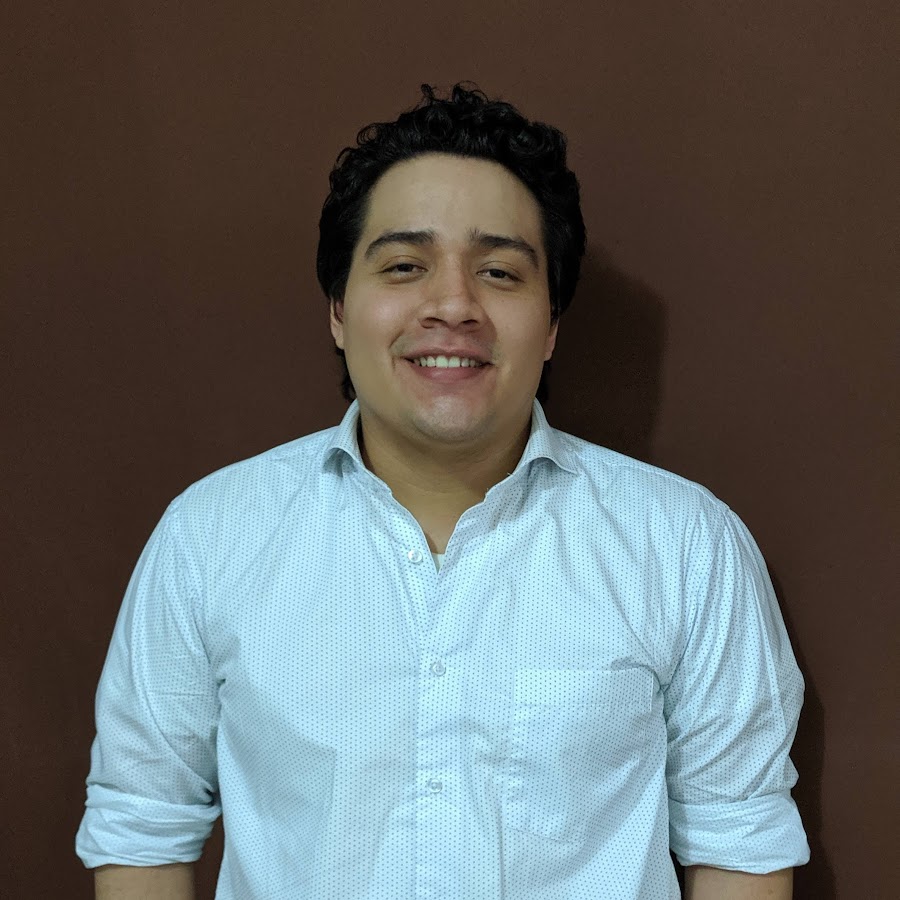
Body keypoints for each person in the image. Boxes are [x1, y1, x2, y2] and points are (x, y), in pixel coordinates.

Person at [76, 83, 809, 899]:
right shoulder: (209, 538)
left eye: (499, 271)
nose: (453, 304)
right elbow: (141, 824)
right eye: (404, 266)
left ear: (552, 323)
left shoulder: (686, 545)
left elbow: (740, 841)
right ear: (338, 309)